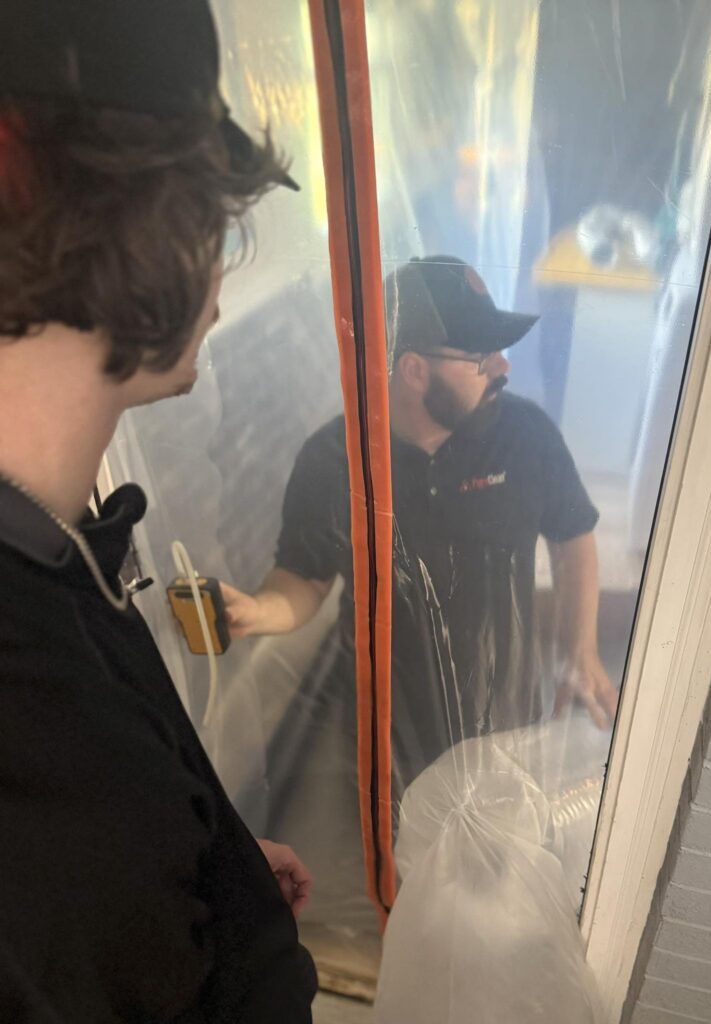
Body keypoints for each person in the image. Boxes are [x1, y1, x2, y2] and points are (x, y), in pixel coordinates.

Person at [0, 2, 317, 1021]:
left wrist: (208, 869)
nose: (224, 258)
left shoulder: (54, 547)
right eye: (213, 210)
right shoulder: (38, 729)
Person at [222, 256, 619, 794]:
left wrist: (581, 650)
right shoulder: (334, 461)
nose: (502, 366)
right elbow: (304, 579)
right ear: (413, 370)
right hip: (382, 738)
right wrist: (257, 611)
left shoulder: (525, 436)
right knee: (399, 843)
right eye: (481, 356)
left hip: (506, 725)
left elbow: (573, 538)